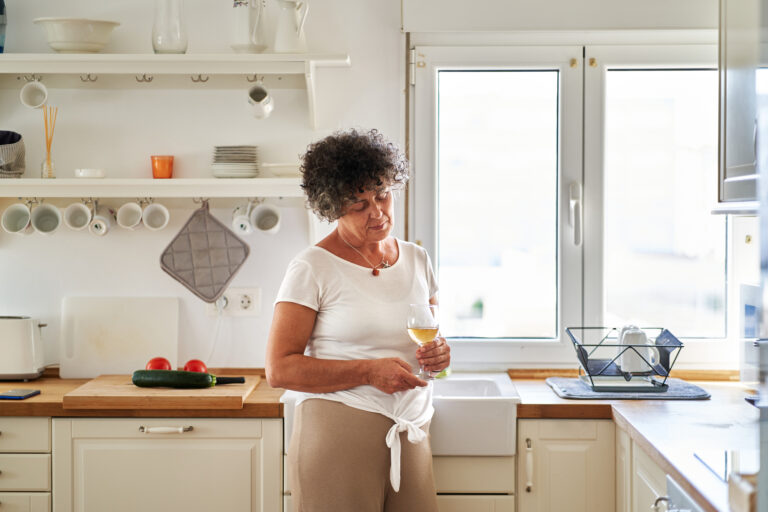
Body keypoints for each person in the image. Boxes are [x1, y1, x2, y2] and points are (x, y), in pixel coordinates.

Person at [266, 128, 451, 512]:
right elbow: (279, 369)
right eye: (358, 204)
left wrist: (440, 354)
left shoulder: (418, 259)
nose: (377, 211)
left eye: (382, 194)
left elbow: (429, 335)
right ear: (332, 207)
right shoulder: (312, 267)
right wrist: (368, 372)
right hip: (338, 431)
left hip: (411, 430)